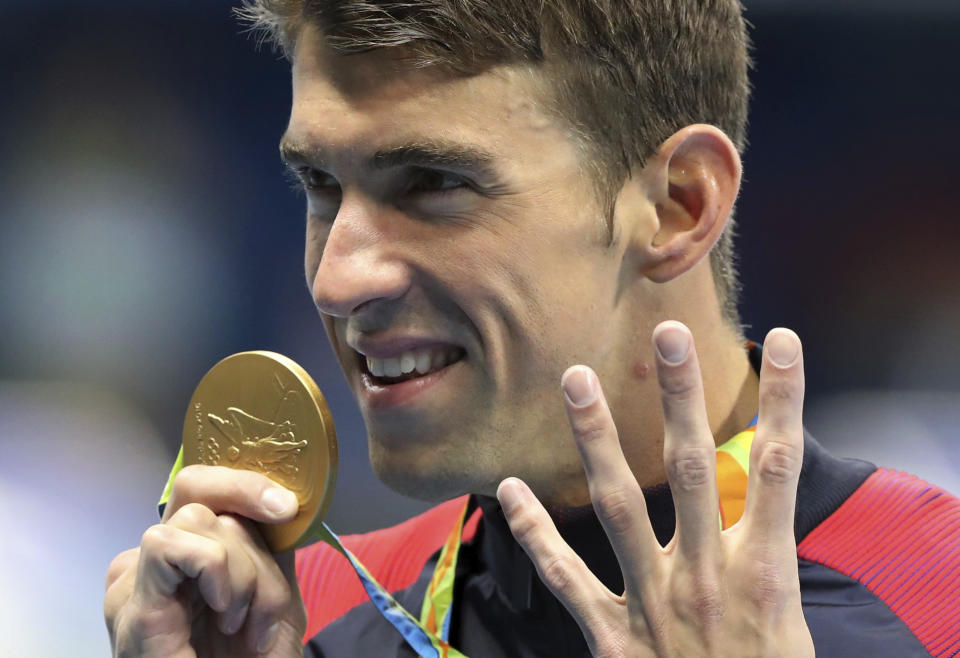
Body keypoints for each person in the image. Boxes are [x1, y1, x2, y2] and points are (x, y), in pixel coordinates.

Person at [103, 1, 960, 656]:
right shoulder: (299, 618)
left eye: (432, 183)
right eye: (322, 186)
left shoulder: (939, 603)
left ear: (677, 207)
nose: (338, 279)